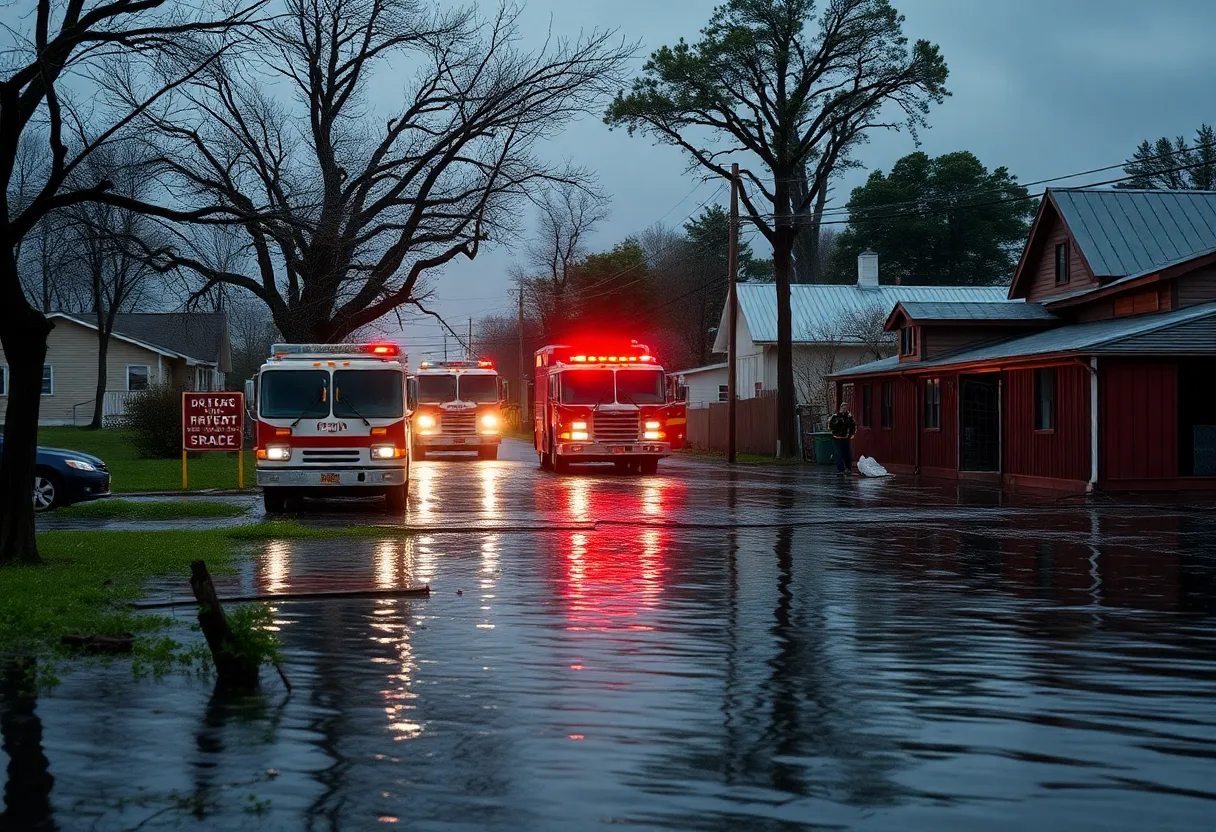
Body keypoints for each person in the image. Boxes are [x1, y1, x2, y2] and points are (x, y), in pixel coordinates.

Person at [828, 403, 856, 474]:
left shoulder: (849, 417)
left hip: (845, 438)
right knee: (838, 454)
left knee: (847, 454)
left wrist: (851, 435)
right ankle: (840, 469)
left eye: (845, 408)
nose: (844, 409)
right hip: (837, 438)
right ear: (840, 408)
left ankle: (848, 468)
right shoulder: (835, 417)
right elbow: (830, 427)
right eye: (843, 408)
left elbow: (853, 426)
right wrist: (837, 424)